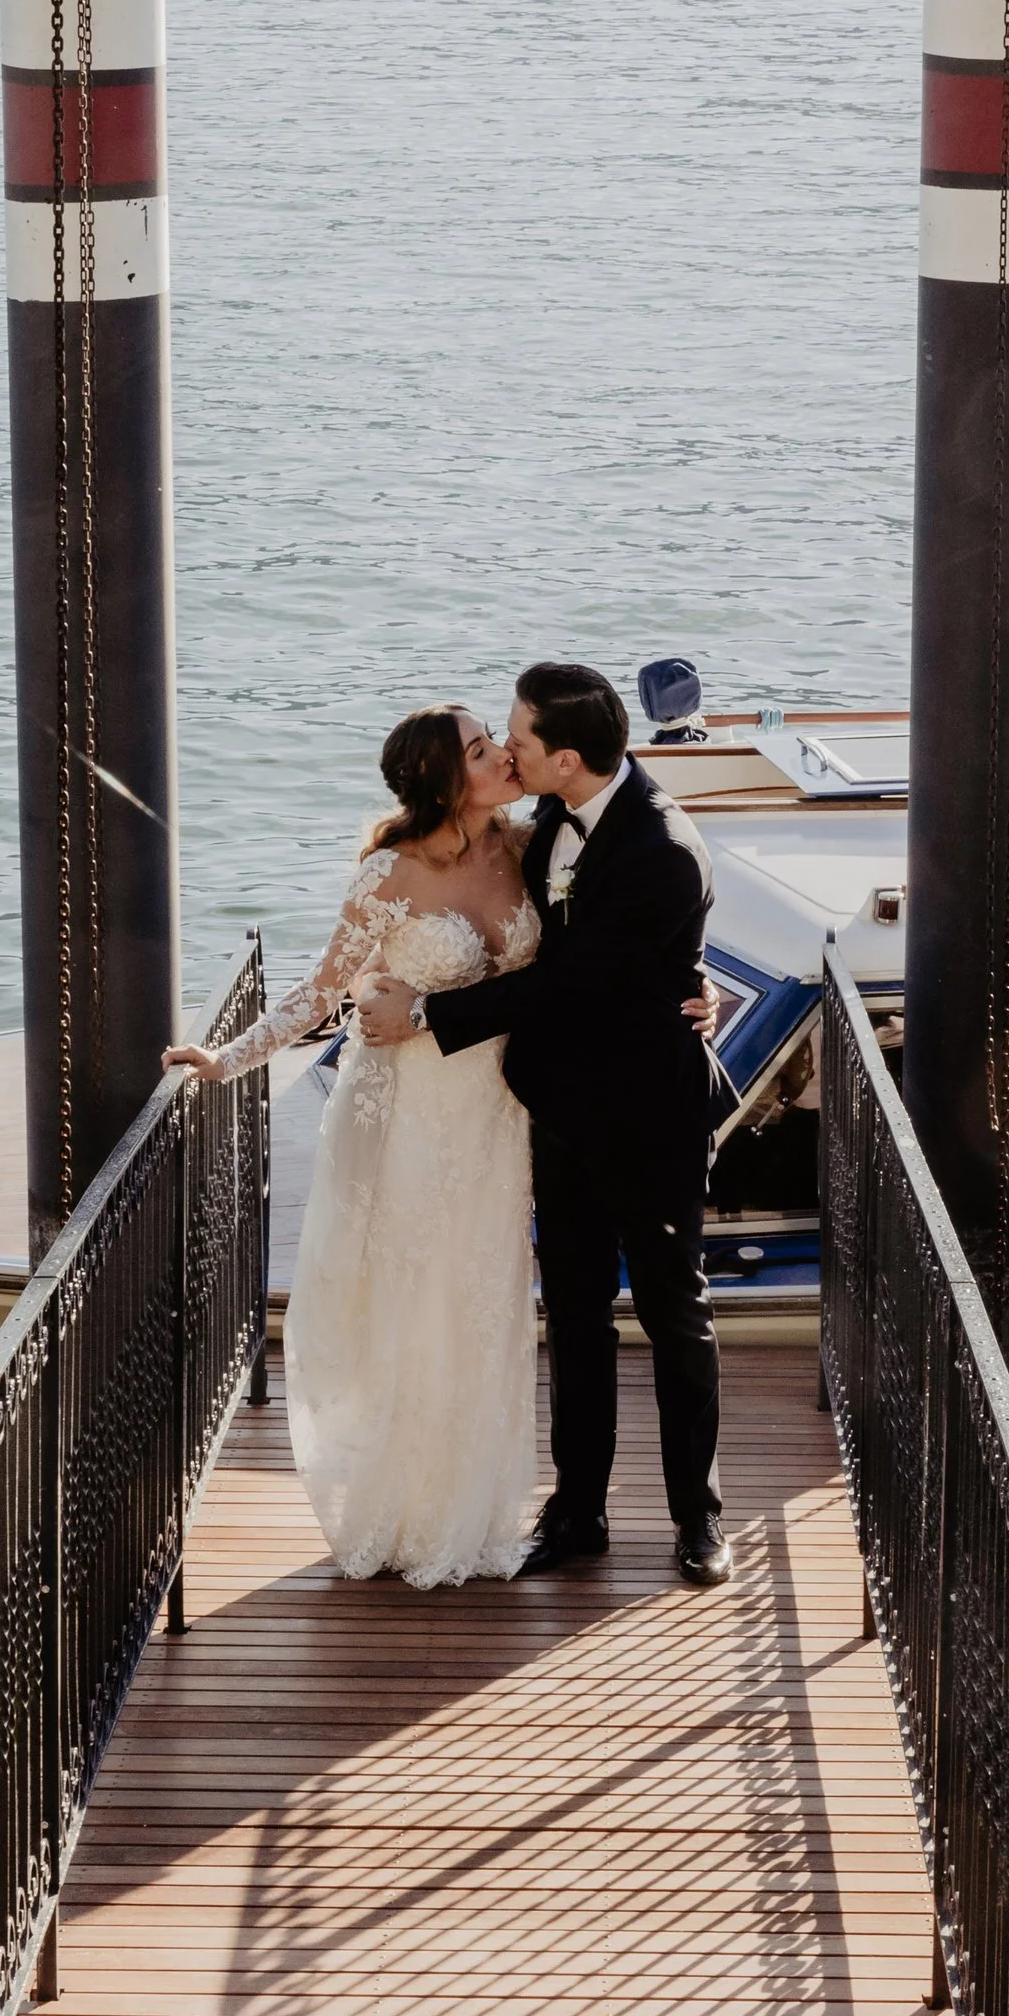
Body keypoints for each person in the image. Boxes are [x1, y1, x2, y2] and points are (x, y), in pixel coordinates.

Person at [360, 660, 730, 1588]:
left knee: (673, 1314)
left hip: (648, 1119)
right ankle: (578, 1511)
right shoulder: (549, 822)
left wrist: (432, 1019)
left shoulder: (664, 850)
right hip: (557, 1109)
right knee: (574, 1315)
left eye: (519, 740)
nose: (508, 752)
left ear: (567, 757)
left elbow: (571, 979)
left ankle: (700, 1521)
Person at [165, 704, 542, 1588]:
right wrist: (226, 1058)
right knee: (411, 1300)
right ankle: (402, 1512)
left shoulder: (528, 848)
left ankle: (475, 1512)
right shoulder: (393, 872)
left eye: (496, 743)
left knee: (483, 1301)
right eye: (482, 752)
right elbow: (325, 989)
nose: (502, 759)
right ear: (446, 783)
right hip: (407, 1113)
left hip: (494, 1114)